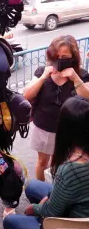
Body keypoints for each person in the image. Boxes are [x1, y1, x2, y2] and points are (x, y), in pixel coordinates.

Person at [4, 95, 89, 229]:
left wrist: (35, 209)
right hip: (80, 207)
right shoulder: (79, 159)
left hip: (72, 222)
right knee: (31, 186)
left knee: (9, 220)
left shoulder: (70, 170)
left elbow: (52, 212)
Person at [24, 35, 89, 181]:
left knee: (62, 164)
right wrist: (43, 77)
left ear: (73, 57)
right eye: (56, 56)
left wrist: (75, 79)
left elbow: (87, 97)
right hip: (43, 128)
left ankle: (58, 193)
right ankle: (42, 192)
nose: (59, 59)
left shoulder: (81, 75)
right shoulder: (43, 71)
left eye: (64, 56)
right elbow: (27, 95)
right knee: (42, 162)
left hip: (68, 130)